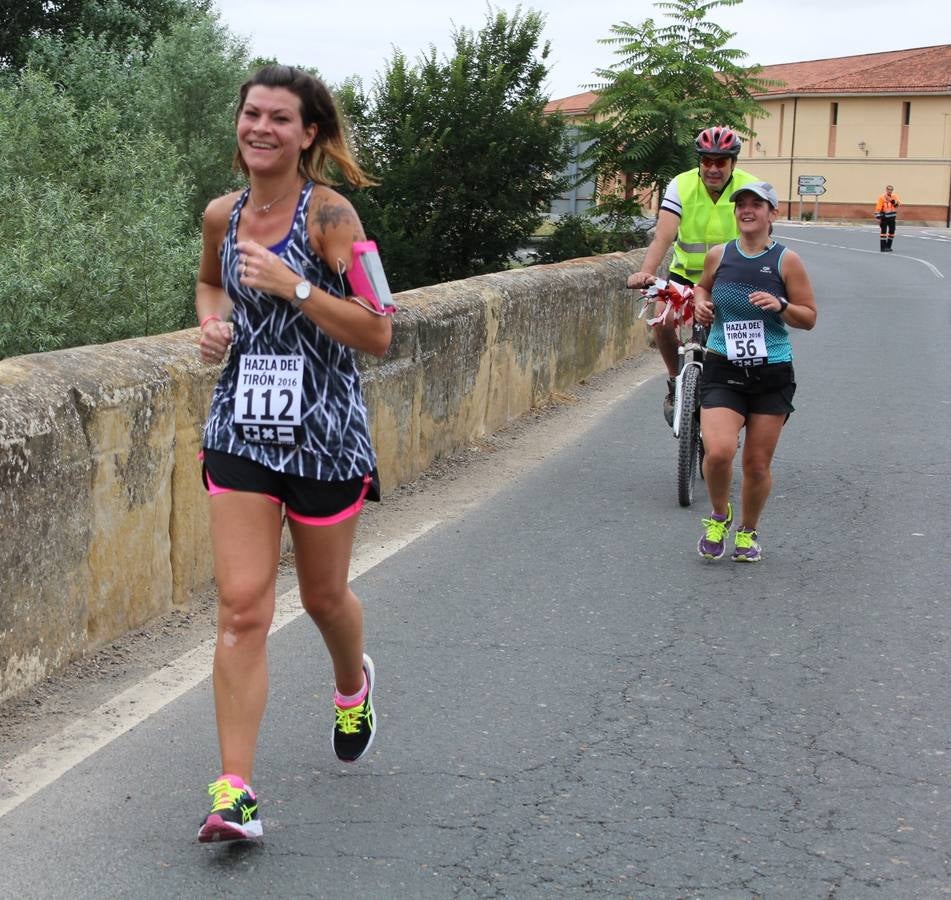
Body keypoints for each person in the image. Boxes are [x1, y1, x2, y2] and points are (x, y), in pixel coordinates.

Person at [195, 64, 393, 843]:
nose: (261, 129)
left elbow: (380, 330)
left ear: (308, 133)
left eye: (280, 118)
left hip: (325, 436)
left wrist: (294, 286)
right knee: (242, 607)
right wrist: (210, 327)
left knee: (322, 599)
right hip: (241, 427)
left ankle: (353, 684)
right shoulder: (222, 213)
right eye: (252, 114)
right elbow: (210, 286)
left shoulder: (331, 216)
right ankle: (233, 791)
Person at [692, 182, 817, 562]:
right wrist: (700, 305)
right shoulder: (719, 255)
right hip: (723, 364)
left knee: (756, 465)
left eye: (756, 205)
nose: (747, 210)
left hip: (771, 371)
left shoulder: (786, 261)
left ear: (772, 214)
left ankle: (748, 531)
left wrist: (780, 304)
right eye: (741, 204)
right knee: (717, 453)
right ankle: (719, 515)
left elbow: (808, 317)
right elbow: (701, 288)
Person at [627, 126, 759, 425]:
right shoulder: (681, 185)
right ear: (699, 161)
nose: (713, 168)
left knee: (740, 336)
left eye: (721, 162)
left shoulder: (751, 188)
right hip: (685, 275)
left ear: (733, 163)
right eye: (707, 161)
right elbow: (663, 236)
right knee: (662, 319)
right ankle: (676, 383)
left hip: (729, 278)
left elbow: (761, 240)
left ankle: (737, 394)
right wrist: (646, 273)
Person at [875, 184, 901, 252]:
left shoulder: (895, 196)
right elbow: (878, 208)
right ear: (886, 190)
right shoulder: (882, 197)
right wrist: (878, 218)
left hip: (892, 218)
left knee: (892, 232)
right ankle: (883, 248)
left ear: (892, 190)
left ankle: (888, 246)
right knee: (883, 232)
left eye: (891, 189)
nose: (889, 191)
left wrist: (891, 200)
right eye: (888, 189)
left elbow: (897, 205)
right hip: (884, 217)